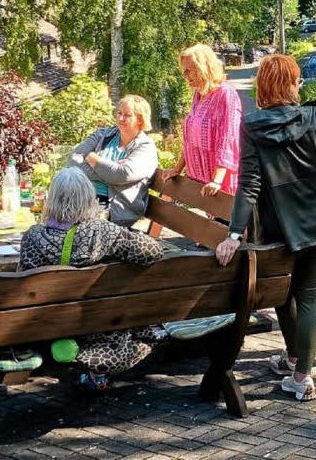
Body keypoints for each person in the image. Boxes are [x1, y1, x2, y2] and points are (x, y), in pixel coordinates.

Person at [215, 54, 316, 402]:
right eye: (297, 78)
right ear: (290, 84)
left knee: (286, 295)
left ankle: (300, 370)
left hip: (281, 229)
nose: (300, 83)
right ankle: (298, 368)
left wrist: (233, 234)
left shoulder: (253, 126)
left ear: (262, 86)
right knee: (305, 295)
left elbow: (248, 186)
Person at [18, 168, 165, 391]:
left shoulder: (34, 236)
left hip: (49, 324)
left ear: (52, 198)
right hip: (96, 323)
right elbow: (152, 252)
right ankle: (91, 364)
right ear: (89, 198)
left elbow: (22, 280)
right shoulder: (103, 232)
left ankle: (62, 346)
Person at [68, 95, 159, 227]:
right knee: (56, 210)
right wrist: (109, 171)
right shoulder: (104, 135)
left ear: (140, 119)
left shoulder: (146, 148)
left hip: (116, 209)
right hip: (87, 198)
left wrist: (92, 158)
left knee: (69, 219)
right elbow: (73, 160)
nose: (121, 118)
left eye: (127, 115)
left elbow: (122, 174)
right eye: (119, 113)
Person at [168, 44, 243, 196]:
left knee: (223, 220)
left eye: (189, 70)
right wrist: (177, 169)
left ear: (203, 67)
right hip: (201, 183)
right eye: (183, 71)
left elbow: (228, 139)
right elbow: (190, 141)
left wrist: (217, 180)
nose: (185, 76)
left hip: (222, 186)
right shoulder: (198, 95)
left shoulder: (226, 94)